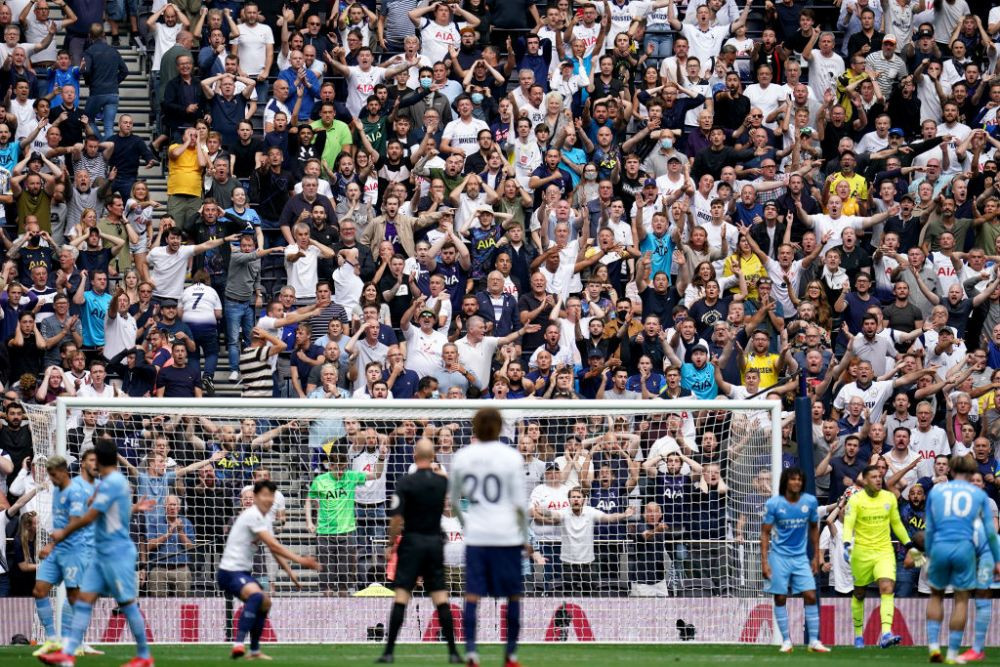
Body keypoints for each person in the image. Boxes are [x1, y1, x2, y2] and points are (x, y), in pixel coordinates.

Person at [37, 437, 154, 667]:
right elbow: (104, 508)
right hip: (101, 553)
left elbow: (90, 516)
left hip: (117, 553)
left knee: (127, 604)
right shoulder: (108, 483)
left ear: (99, 460)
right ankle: (68, 653)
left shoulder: (113, 483)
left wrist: (63, 532)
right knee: (84, 600)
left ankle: (144, 656)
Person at [450, 408, 532, 667]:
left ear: (474, 427)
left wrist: (467, 525)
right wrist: (523, 536)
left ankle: (472, 654)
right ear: (499, 428)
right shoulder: (511, 457)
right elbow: (520, 504)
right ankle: (510, 655)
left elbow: (453, 501)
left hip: (477, 537)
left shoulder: (462, 456)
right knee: (513, 596)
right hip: (506, 537)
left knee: (472, 595)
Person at [216, 479, 320, 660]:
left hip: (242, 573)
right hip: (229, 572)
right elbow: (274, 544)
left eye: (271, 495)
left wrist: (291, 574)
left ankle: (255, 651)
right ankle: (238, 643)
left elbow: (273, 548)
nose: (268, 499)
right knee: (257, 596)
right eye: (264, 495)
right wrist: (302, 560)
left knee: (265, 602)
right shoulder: (252, 516)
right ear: (255, 497)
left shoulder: (265, 519)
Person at [377, 439, 461, 663]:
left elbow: (396, 519)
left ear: (415, 456)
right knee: (441, 598)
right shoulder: (443, 483)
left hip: (412, 543)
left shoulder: (405, 482)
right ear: (433, 456)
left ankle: (388, 652)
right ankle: (453, 653)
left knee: (402, 597)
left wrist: (391, 544)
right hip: (434, 543)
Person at [924, 455, 1000, 664]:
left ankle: (933, 648)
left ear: (950, 470)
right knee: (961, 599)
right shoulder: (978, 494)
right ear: (971, 472)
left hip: (939, 545)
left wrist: (929, 554)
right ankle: (952, 654)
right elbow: (990, 532)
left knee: (936, 596)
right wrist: (997, 560)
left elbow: (929, 527)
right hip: (964, 548)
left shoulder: (937, 490)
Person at [31, 451, 101, 658]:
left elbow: (74, 523)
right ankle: (53, 639)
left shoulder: (75, 492)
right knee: (39, 590)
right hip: (60, 549)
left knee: (73, 596)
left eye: (53, 474)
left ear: (63, 472)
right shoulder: (57, 490)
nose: (51, 478)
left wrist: (51, 545)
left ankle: (75, 641)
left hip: (73, 550)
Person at [842, 464, 916, 649]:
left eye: (880, 476)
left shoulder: (889, 497)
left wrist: (908, 544)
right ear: (865, 480)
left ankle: (885, 633)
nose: (878, 479)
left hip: (884, 551)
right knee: (859, 593)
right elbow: (849, 524)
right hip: (861, 552)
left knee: (887, 587)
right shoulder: (856, 500)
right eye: (873, 477)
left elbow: (896, 524)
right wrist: (846, 544)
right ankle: (858, 635)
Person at [760, 467, 829, 654]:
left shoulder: (810, 502)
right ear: (786, 482)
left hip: (800, 557)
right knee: (780, 597)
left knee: (810, 595)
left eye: (799, 479)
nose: (797, 482)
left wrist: (816, 556)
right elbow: (765, 533)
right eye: (793, 479)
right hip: (779, 557)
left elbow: (814, 528)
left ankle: (814, 641)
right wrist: (764, 562)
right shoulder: (775, 503)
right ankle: (787, 641)